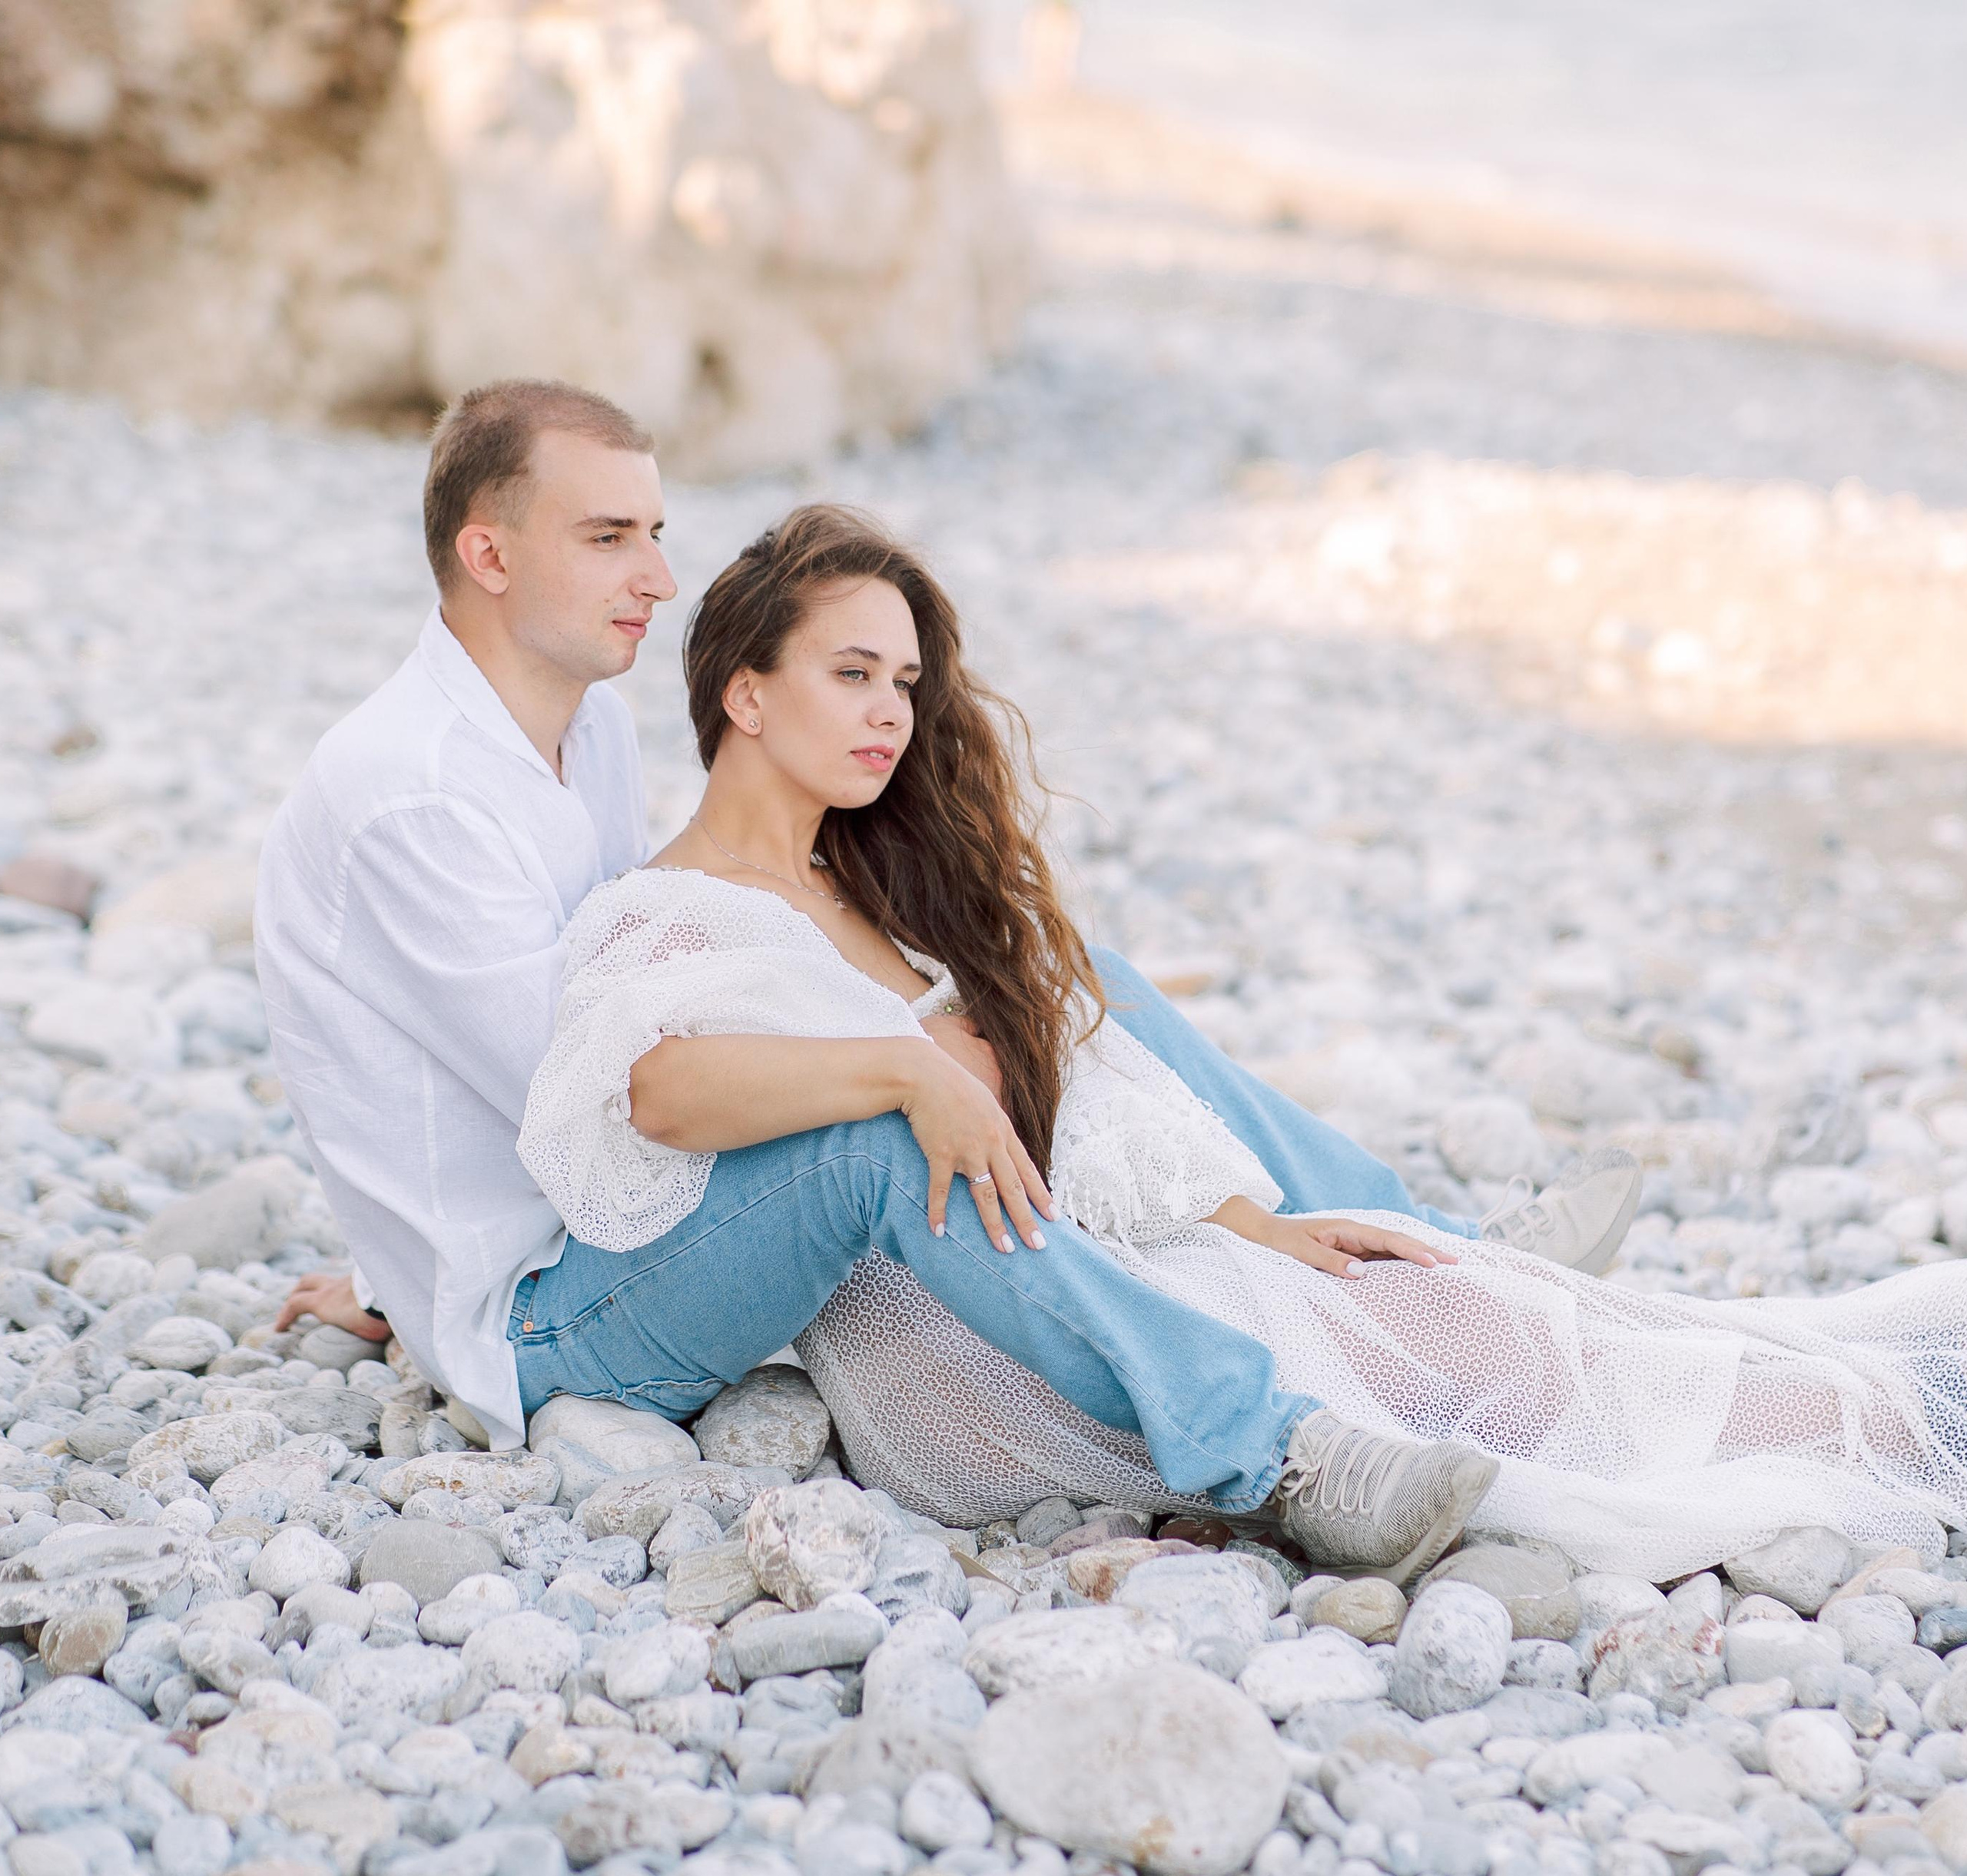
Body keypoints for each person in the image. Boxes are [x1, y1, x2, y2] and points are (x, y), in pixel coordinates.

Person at [256, 378, 1639, 1586]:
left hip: (623, 1229)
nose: (658, 577)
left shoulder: (589, 737)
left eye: (657, 534)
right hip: (565, 1309)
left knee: (1059, 977)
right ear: (486, 553)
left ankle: (1423, 1240)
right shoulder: (416, 797)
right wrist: (908, 1054)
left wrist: (952, 1008)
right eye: (609, 536)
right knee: (881, 1131)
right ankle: (1276, 1459)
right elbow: (599, 1099)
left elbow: (654, 976)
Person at [516, 500, 1967, 1585]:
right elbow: (662, 1092)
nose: (895, 712)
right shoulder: (679, 910)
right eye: (852, 674)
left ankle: (1873, 1416)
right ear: (743, 693)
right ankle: (1287, 1456)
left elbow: (1070, 1110)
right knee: (1383, 1345)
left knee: (1437, 1306)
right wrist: (906, 1067)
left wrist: (1251, 1223)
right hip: (935, 1346)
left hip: (1047, 1275)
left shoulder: (879, 907)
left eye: (906, 682)